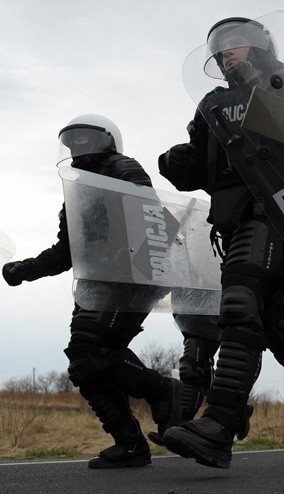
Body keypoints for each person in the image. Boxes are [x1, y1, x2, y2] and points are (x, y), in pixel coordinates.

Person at [158, 17, 284, 468]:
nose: (226, 52)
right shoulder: (213, 102)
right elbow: (203, 168)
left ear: (260, 47)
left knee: (237, 305)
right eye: (221, 47)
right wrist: (176, 161)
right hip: (233, 220)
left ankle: (221, 423)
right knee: (274, 327)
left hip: (277, 213)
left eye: (235, 43)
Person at [2, 115, 182, 469]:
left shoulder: (122, 167)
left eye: (86, 139)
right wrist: (26, 269)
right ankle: (130, 444)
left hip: (135, 274)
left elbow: (151, 211)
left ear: (108, 140)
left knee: (90, 351)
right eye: (72, 143)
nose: (78, 147)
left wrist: (127, 251)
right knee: (84, 363)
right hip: (97, 282)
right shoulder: (76, 194)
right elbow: (67, 251)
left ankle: (163, 391)